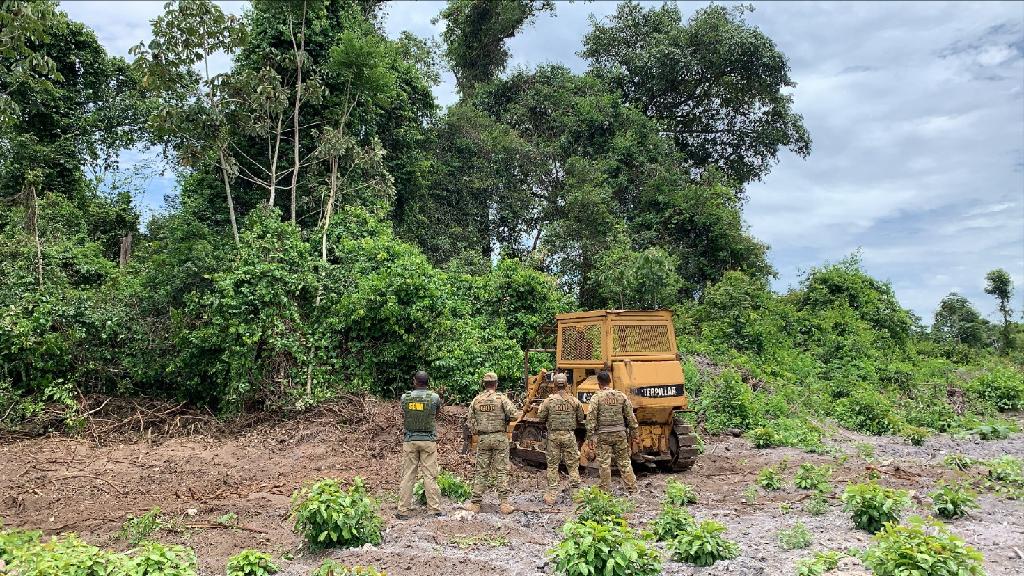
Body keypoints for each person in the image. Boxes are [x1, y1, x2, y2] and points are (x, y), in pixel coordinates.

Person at [464, 371, 522, 514]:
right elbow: (514, 415)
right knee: (501, 470)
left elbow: (469, 421)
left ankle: (475, 504)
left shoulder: (477, 400)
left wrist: (478, 430)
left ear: (484, 384)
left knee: (481, 471)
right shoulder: (501, 399)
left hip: (483, 439)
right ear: (496, 384)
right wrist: (506, 420)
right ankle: (504, 504)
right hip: (500, 438)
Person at [397, 371, 443, 519]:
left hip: (410, 440)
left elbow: (405, 413)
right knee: (430, 475)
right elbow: (436, 415)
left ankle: (403, 510)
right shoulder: (434, 398)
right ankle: (434, 509)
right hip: (428, 441)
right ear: (428, 382)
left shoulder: (405, 398)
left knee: (408, 475)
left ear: (414, 381)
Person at [585, 370, 638, 493]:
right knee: (624, 462)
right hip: (620, 434)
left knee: (604, 464)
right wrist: (635, 434)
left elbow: (591, 419)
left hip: (603, 435)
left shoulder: (596, 398)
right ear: (610, 382)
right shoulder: (621, 396)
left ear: (599, 384)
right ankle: (632, 489)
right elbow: (630, 417)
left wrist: (590, 437)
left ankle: (605, 491)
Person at [537, 372, 585, 505]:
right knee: (573, 465)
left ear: (554, 385)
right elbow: (581, 418)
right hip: (569, 436)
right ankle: (577, 496)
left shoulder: (548, 401)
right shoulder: (574, 401)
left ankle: (551, 496)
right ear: (566, 385)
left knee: (552, 466)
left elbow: (541, 418)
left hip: (553, 437)